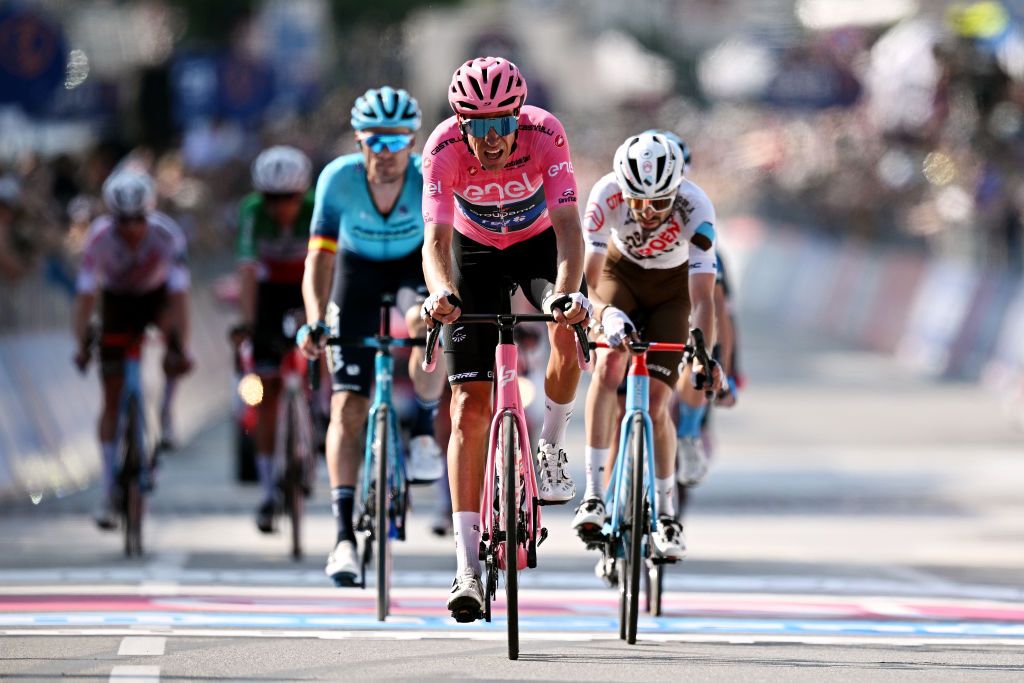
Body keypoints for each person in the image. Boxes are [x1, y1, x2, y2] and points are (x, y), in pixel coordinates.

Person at [419, 56, 592, 622]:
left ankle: (549, 441)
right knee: (469, 404)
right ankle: (467, 566)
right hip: (471, 254)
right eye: (479, 126)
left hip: (537, 243)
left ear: (519, 117)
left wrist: (566, 295)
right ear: (460, 123)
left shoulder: (545, 133)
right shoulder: (442, 149)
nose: (491, 140)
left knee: (568, 327)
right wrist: (442, 292)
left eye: (502, 125)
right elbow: (436, 242)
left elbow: (570, 232)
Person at [297, 86, 446, 586]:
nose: (385, 154)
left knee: (428, 323)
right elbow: (319, 257)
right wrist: (316, 318)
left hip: (412, 266)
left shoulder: (427, 179)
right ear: (359, 142)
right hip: (356, 274)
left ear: (412, 141)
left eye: (397, 141)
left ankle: (424, 426)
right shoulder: (337, 179)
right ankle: (342, 537)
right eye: (374, 142)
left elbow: (443, 248)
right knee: (348, 406)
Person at [572, 132, 722, 571]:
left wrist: (703, 353)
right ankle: (595, 495)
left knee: (658, 405)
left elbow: (703, 298)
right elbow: (588, 283)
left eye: (659, 203)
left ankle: (667, 516)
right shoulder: (605, 195)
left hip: (672, 291)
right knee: (607, 366)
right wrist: (605, 315)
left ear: (677, 189)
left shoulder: (697, 207)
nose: (647, 213)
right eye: (637, 201)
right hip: (620, 277)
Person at [72, 169, 192, 530]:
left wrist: (179, 347)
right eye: (122, 221)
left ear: (149, 212)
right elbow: (85, 298)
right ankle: (109, 488)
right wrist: (81, 344)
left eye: (138, 220)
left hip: (156, 299)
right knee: (111, 397)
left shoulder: (167, 235)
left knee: (174, 345)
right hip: (117, 303)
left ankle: (167, 414)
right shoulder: (97, 239)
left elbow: (179, 298)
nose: (131, 229)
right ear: (111, 217)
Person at [234, 146, 315, 533]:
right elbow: (248, 273)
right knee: (265, 394)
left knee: (327, 342)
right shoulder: (252, 213)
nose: (280, 206)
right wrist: (247, 324)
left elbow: (330, 267)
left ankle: (325, 405)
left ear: (302, 194)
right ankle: (268, 493)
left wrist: (320, 313)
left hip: (306, 287)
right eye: (271, 198)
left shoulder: (317, 208)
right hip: (268, 294)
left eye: (289, 198)